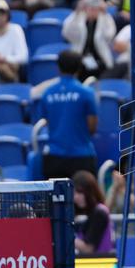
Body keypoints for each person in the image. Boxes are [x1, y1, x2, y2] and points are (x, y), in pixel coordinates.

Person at [41, 50, 98, 180]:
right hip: (82, 157)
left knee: (55, 200)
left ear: (58, 67)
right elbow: (92, 128)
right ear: (79, 68)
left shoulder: (47, 93)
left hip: (54, 158)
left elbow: (48, 122)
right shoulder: (86, 93)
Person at [62, 0, 116, 79]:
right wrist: (77, 12)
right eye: (90, 7)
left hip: (100, 61)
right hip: (79, 61)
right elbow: (66, 33)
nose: (93, 10)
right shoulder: (78, 18)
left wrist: (105, 13)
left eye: (95, 8)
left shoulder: (105, 19)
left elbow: (109, 36)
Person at [73, 170, 114, 255]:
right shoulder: (91, 213)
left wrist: (65, 236)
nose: (76, 197)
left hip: (101, 266)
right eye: (74, 193)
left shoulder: (100, 213)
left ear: (89, 192)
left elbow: (88, 249)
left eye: (80, 192)